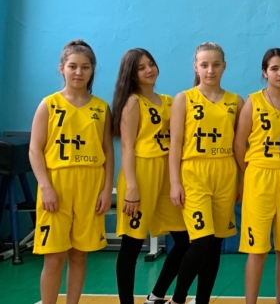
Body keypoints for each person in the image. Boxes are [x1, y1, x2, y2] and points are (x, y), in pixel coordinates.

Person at [28, 40, 114, 304]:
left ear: (92, 70)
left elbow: (108, 151)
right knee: (54, 256)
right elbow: (34, 149)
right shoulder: (49, 104)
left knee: (79, 254)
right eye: (73, 66)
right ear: (62, 68)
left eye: (85, 67)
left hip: (90, 184)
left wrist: (106, 189)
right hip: (57, 183)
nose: (79, 72)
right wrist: (45, 187)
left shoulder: (101, 108)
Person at [112, 48, 189, 304]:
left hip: (167, 173)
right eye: (141, 67)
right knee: (132, 245)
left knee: (185, 241)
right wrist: (132, 187)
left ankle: (156, 296)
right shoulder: (133, 102)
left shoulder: (169, 100)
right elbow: (127, 147)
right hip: (141, 173)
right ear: (131, 74)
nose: (149, 70)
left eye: (151, 64)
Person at [168, 42, 241, 304]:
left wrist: (241, 180)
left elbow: (239, 145)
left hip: (225, 172)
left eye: (216, 64)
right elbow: (176, 142)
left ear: (224, 66)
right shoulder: (184, 98)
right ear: (196, 67)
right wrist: (174, 182)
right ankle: (177, 299)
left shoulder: (236, 101)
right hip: (194, 172)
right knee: (201, 241)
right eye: (204, 64)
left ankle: (202, 301)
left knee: (215, 243)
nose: (210, 70)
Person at [234, 48, 280, 304]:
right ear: (265, 72)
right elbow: (239, 143)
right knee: (258, 250)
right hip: (259, 176)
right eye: (274, 68)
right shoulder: (253, 101)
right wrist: (250, 171)